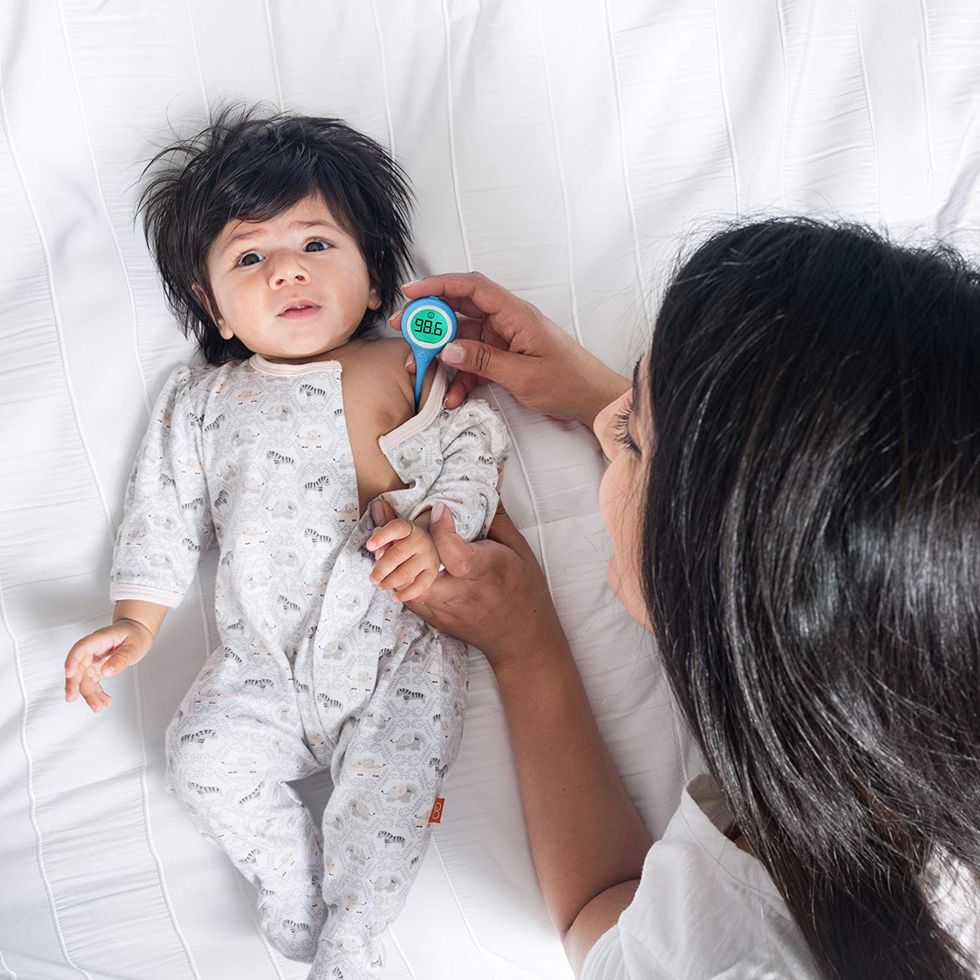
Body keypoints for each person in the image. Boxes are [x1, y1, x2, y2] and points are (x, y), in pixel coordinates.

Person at [381, 219, 980, 979]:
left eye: (631, 438)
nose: (609, 428)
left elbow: (603, 919)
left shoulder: (726, 957)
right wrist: (622, 399)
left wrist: (527, 651)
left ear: (717, 583)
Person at [62, 108, 508, 978]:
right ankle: (294, 892)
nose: (286, 272)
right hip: (260, 660)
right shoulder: (202, 401)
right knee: (200, 757)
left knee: (386, 799)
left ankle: (352, 940)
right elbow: (161, 511)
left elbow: (472, 449)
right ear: (213, 308)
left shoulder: (403, 368)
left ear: (375, 282)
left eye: (316, 244)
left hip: (394, 646)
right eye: (248, 258)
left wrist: (435, 532)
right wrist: (135, 621)